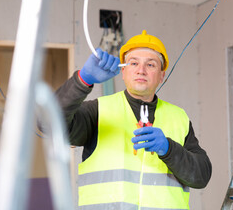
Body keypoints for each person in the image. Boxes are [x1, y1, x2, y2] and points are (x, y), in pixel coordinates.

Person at [56, 30, 212, 209]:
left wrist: (169, 149)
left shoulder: (179, 117)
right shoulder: (97, 111)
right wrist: (82, 81)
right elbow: (49, 124)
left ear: (162, 76)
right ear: (123, 71)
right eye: (133, 63)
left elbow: (201, 177)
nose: (141, 70)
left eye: (151, 65)